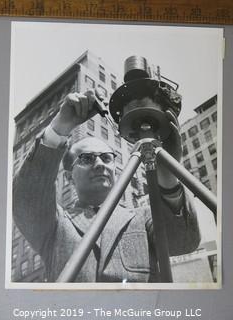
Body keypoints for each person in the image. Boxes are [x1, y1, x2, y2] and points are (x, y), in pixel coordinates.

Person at [13, 90, 200, 283]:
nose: (100, 164)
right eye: (87, 158)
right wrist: (61, 125)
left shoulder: (143, 218)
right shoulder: (55, 224)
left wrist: (168, 174)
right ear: (69, 177)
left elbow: (183, 241)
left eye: (106, 157)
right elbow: (27, 197)